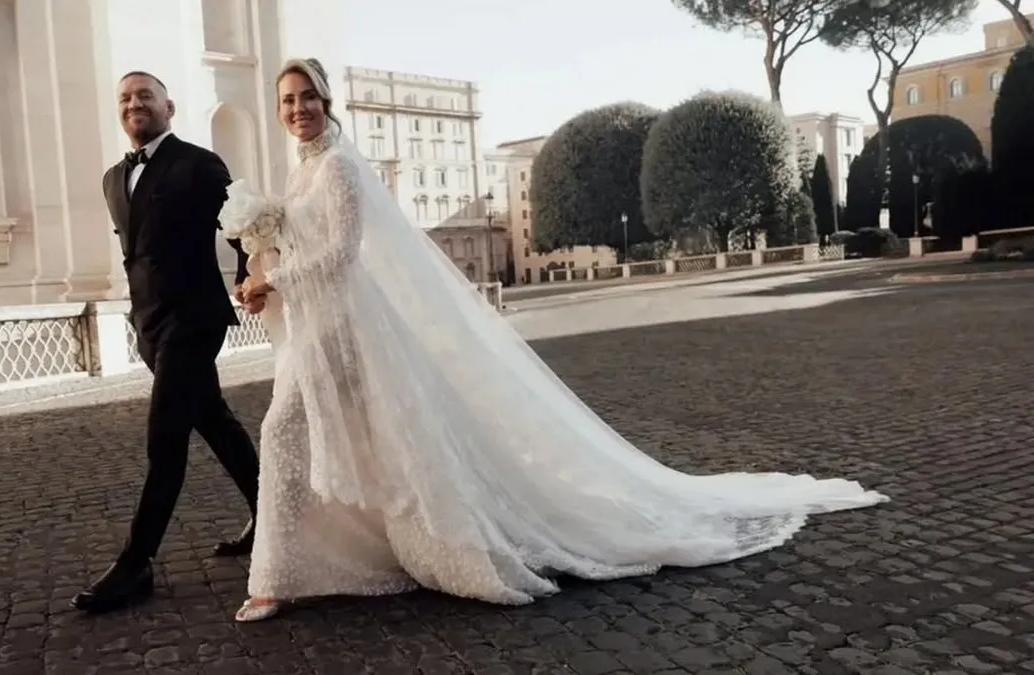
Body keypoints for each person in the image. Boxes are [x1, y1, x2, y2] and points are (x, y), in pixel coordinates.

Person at [232, 58, 889, 623]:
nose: (297, 110)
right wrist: (263, 269)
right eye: (287, 101)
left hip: (350, 328)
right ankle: (334, 557)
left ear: (327, 101)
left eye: (307, 97)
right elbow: (307, 248)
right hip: (322, 325)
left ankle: (279, 578)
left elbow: (343, 254)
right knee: (344, 438)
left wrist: (275, 281)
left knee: (289, 430)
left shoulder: (340, 168)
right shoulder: (300, 173)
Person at [72, 71, 263, 614]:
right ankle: (271, 513)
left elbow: (241, 227)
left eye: (145, 95)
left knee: (165, 440)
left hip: (194, 320)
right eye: (126, 98)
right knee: (215, 421)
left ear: (168, 107)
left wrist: (249, 275)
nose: (134, 103)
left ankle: (136, 562)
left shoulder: (199, 164)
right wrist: (140, 325)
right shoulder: (113, 179)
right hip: (150, 327)